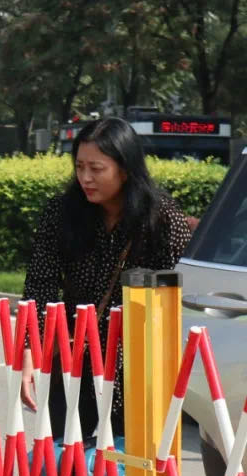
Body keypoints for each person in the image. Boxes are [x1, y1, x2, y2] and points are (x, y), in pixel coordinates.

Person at [21, 117, 192, 438]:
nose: (86, 178)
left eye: (97, 169)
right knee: (71, 470)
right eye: (80, 166)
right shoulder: (60, 213)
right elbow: (40, 285)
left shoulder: (162, 218)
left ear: (125, 169)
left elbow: (179, 299)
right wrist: (30, 349)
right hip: (75, 365)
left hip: (139, 371)